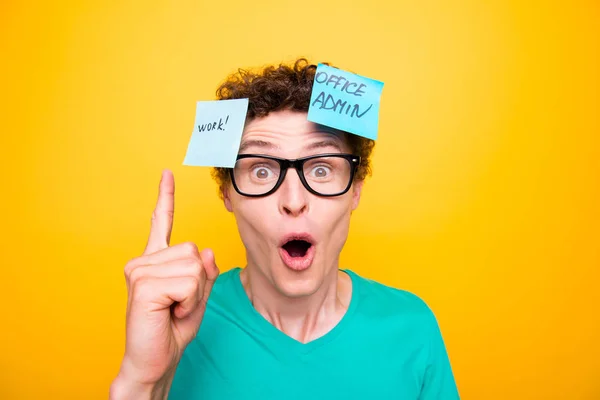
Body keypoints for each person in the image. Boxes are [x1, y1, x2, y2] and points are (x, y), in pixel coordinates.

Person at [109, 59, 460, 399]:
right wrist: (141, 383)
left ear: (355, 190)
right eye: (261, 170)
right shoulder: (176, 326)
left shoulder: (411, 327)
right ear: (227, 192)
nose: (294, 199)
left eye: (321, 169)